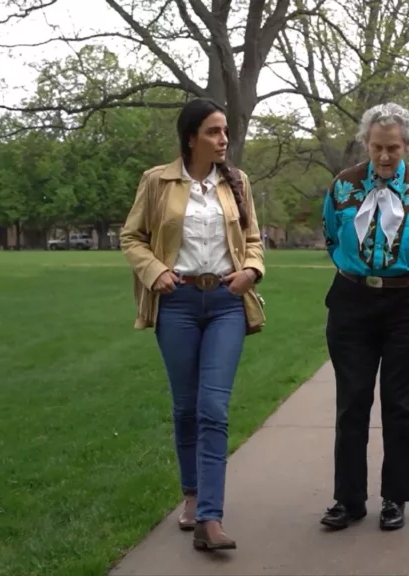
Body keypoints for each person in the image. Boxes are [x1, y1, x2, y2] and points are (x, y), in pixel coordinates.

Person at [119, 97, 266, 552]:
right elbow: (131, 236)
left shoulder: (237, 182)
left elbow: (254, 240)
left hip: (225, 301)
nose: (224, 140)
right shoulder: (157, 181)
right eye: (214, 132)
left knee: (213, 409)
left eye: (225, 132)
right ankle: (191, 494)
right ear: (191, 137)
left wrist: (252, 271)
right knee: (186, 408)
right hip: (177, 302)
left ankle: (210, 518)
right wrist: (154, 271)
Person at [319, 102, 409, 532]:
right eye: (377, 147)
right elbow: (331, 236)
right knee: (352, 402)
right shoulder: (343, 188)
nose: (384, 156)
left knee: (405, 406)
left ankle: (395, 497)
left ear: (407, 146)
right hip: (353, 303)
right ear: (366, 143)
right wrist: (360, 274)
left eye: (393, 148)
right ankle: (349, 499)